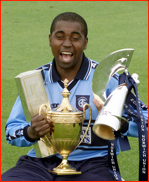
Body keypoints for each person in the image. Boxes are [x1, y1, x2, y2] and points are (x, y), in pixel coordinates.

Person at [1, 12, 148, 181]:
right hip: (41, 163)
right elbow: (11, 131)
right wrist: (30, 132)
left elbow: (146, 121)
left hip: (94, 162)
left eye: (75, 38)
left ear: (85, 42)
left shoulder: (107, 79)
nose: (67, 43)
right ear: (50, 40)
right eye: (60, 36)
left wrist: (117, 122)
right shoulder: (35, 80)